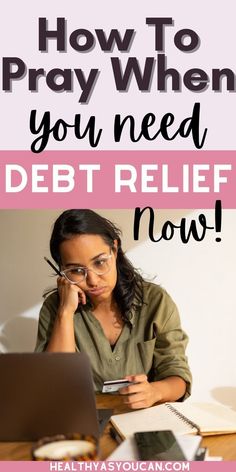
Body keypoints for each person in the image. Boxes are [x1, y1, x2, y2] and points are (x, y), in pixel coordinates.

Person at [35, 209, 192, 409]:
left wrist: (155, 391)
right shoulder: (55, 309)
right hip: (83, 422)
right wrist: (65, 314)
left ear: (115, 250)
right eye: (75, 270)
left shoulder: (155, 301)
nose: (92, 280)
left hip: (145, 420)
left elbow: (178, 377)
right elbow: (53, 388)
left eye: (100, 262)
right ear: (61, 269)